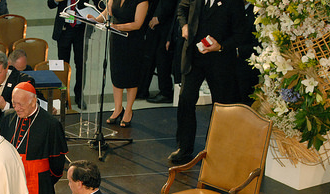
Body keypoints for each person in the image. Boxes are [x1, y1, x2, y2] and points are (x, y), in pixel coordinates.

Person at [167, 0, 244, 164]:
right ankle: (184, 148)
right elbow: (181, 7)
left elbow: (241, 34)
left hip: (220, 62)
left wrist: (221, 46)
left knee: (220, 106)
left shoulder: (233, 3)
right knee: (186, 99)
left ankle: (215, 149)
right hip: (193, 58)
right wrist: (184, 26)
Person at [89, 0, 149, 128]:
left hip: (132, 41)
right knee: (117, 74)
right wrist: (96, 20)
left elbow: (137, 24)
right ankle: (118, 108)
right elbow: (107, 11)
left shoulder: (142, 1)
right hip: (116, 40)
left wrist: (116, 27)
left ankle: (128, 110)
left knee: (131, 76)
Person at [47, 0, 99, 110]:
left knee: (81, 64)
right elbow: (50, 4)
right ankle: (63, 96)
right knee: (63, 66)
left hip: (82, 30)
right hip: (64, 29)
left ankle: (79, 95)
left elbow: (99, 4)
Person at [142, 0, 179, 104]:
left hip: (165, 22)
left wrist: (159, 16)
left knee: (162, 57)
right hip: (158, 16)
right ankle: (143, 89)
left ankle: (165, 92)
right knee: (152, 56)